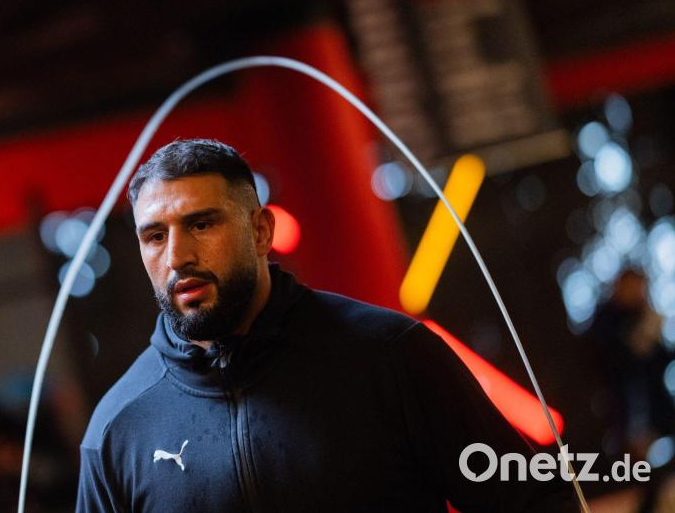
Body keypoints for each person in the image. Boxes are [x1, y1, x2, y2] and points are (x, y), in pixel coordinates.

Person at [76, 139, 577, 512]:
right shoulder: (119, 427)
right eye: (155, 236)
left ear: (260, 230)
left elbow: (534, 504)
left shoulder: (390, 355)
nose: (178, 256)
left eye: (202, 225)